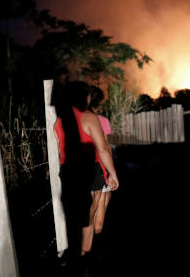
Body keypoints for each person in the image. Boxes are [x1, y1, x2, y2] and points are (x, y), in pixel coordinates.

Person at [53, 81, 119, 269]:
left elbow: (60, 149)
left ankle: (74, 256)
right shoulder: (90, 117)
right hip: (89, 171)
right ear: (85, 97)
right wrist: (112, 174)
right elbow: (103, 149)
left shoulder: (59, 120)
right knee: (87, 219)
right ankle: (84, 259)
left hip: (67, 172)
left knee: (73, 217)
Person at [88, 85, 114, 235]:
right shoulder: (102, 121)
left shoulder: (78, 120)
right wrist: (111, 171)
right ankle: (92, 246)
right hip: (98, 168)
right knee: (100, 207)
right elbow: (105, 147)